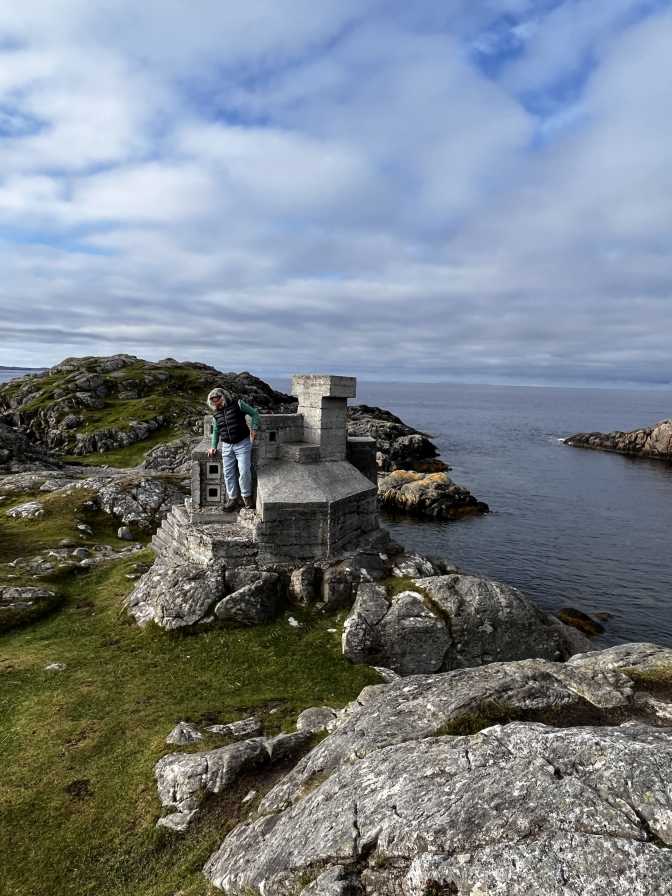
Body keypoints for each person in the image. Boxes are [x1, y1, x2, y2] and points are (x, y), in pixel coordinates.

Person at [206, 387, 260, 510]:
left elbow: (254, 414)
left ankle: (247, 497)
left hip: (242, 443)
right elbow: (216, 431)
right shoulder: (215, 414)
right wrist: (213, 447)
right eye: (213, 400)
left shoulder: (238, 404)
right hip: (226, 446)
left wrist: (254, 428)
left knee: (244, 471)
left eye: (217, 398)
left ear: (223, 396)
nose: (215, 402)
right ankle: (233, 499)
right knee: (228, 473)